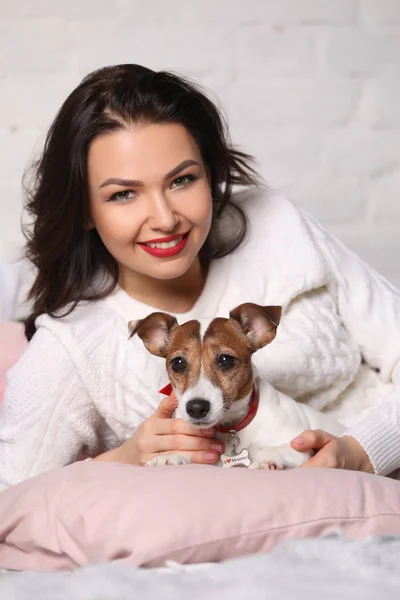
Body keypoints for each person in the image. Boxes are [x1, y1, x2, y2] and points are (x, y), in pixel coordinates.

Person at [0, 63, 399, 491]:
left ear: (210, 175)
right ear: (83, 211)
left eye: (182, 180)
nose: (165, 218)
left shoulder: (278, 227)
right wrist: (121, 460)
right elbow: (12, 496)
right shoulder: (73, 344)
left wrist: (364, 450)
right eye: (124, 194)